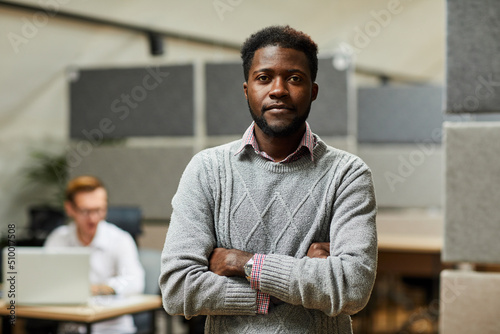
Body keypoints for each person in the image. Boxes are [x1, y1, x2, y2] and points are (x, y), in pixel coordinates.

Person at [159, 25, 377, 334]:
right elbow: (178, 289)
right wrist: (276, 290)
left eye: (294, 78)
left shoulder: (347, 174)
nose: (278, 90)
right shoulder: (207, 170)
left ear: (313, 91)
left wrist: (241, 262)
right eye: (264, 78)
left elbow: (351, 289)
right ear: (247, 90)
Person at [44, 175, 145, 334]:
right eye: (85, 211)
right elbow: (45, 279)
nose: (93, 218)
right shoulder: (58, 238)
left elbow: (135, 281)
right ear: (70, 208)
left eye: (99, 210)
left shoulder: (120, 239)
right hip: (71, 327)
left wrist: (97, 289)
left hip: (112, 328)